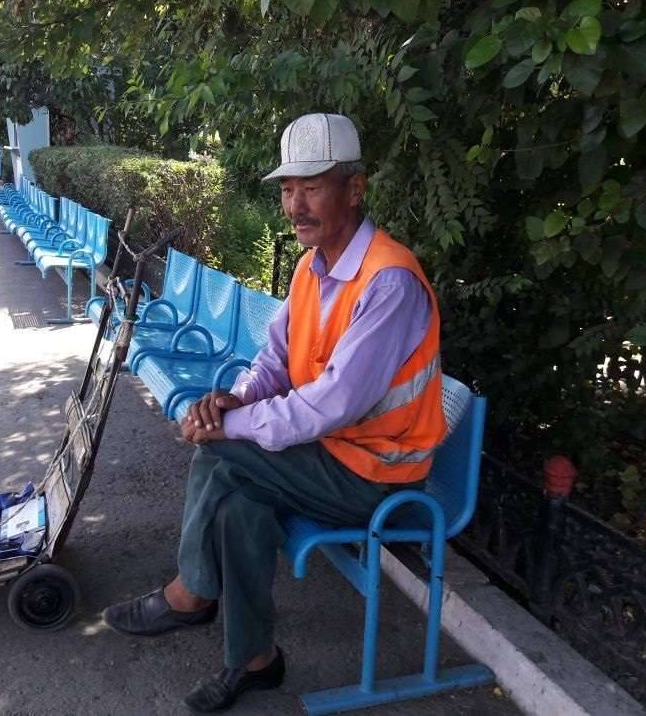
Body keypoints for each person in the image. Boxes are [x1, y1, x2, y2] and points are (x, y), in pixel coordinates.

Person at [102, 113, 447, 713]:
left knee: (222, 454)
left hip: (380, 474)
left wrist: (224, 426)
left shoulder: (388, 281)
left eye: (313, 186)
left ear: (355, 188)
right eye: (288, 188)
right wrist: (235, 399)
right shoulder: (312, 268)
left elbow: (329, 404)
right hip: (331, 456)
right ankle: (255, 661)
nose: (296, 204)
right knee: (239, 506)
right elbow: (276, 364)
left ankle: (190, 595)